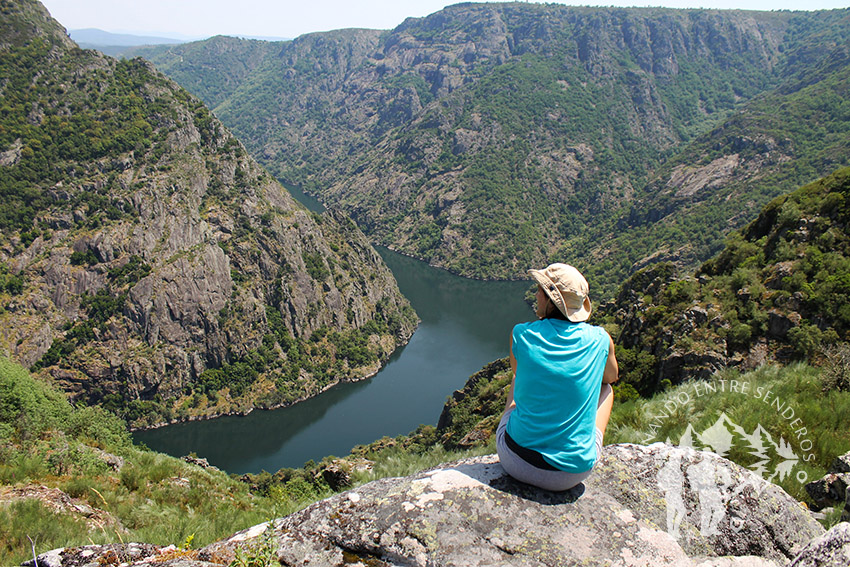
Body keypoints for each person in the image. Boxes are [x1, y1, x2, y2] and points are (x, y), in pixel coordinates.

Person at [496, 263, 618, 491]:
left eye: (540, 291)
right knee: (607, 390)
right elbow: (611, 377)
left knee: (517, 381)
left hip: (515, 460)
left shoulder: (521, 334)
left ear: (551, 301)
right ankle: (585, 440)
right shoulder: (601, 339)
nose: (535, 295)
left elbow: (518, 373)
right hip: (571, 474)